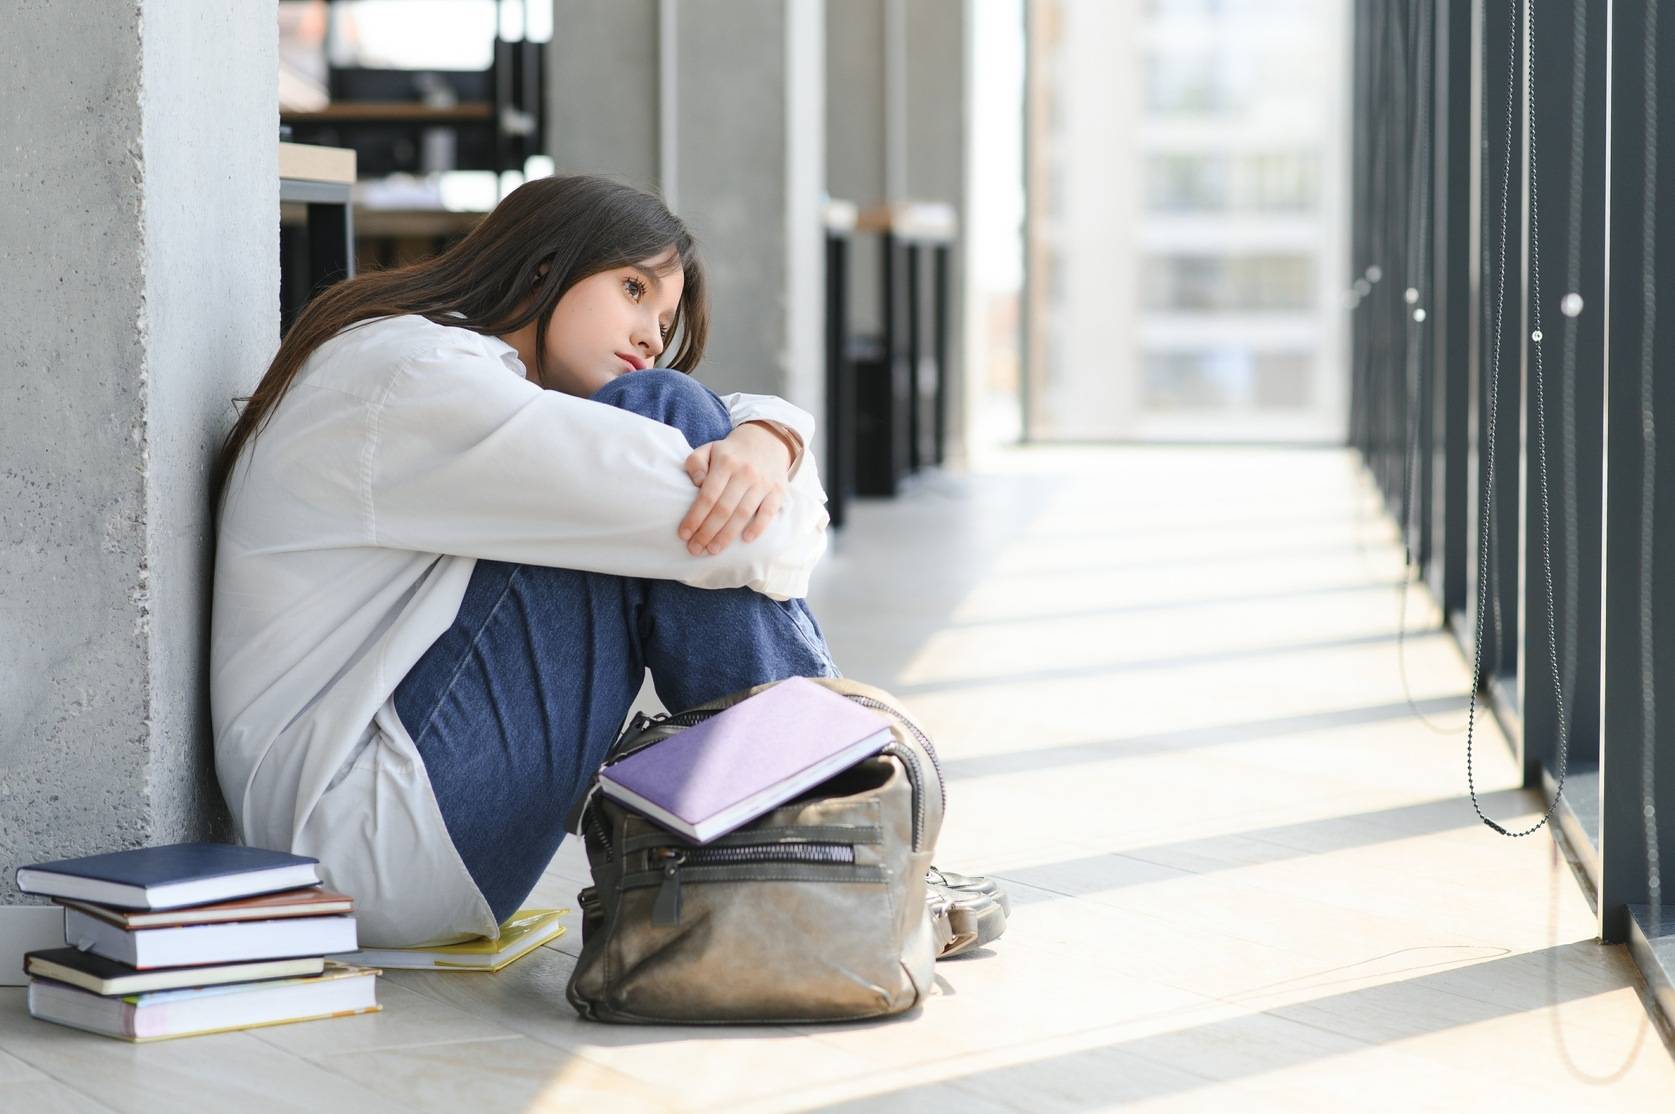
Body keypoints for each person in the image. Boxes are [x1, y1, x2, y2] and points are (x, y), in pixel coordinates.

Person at [210, 175, 839, 946]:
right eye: (633, 289)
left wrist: (769, 438)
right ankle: (824, 831)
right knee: (666, 410)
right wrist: (774, 449)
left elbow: (737, 499)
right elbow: (751, 536)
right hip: (370, 839)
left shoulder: (435, 368)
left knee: (682, 430)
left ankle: (814, 830)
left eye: (663, 319)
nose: (649, 335)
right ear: (546, 266)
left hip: (413, 836)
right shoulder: (417, 376)